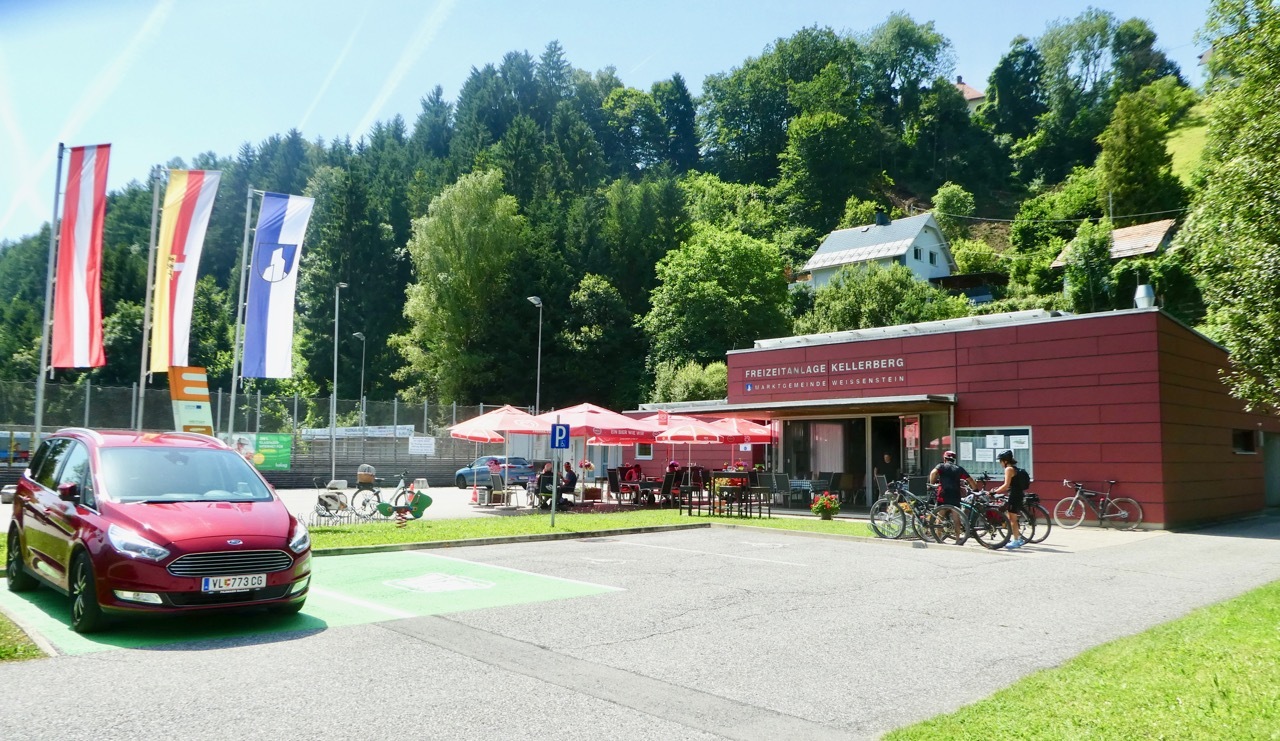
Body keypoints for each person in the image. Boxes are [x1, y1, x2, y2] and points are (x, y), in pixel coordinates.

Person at [992, 450, 1026, 549]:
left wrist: (994, 492)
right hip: (1019, 494)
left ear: (1005, 461)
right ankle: (1018, 538)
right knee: (1012, 517)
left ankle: (1016, 540)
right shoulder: (1014, 468)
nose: (1000, 463)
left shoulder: (1008, 469)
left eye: (1000, 461)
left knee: (1012, 519)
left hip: (1014, 496)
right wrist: (998, 489)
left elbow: (1006, 485)